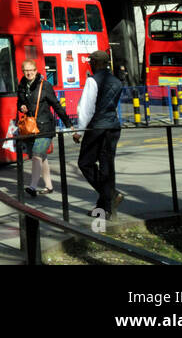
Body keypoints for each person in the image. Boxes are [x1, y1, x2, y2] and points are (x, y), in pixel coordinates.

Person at [73, 49, 125, 219]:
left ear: (95, 63)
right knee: (106, 167)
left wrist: (79, 132)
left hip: (97, 127)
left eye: (91, 62)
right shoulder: (117, 81)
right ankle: (104, 210)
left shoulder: (92, 81)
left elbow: (86, 109)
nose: (90, 64)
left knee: (85, 163)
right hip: (113, 126)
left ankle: (111, 194)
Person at [17, 59, 70, 197]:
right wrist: (21, 106)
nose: (28, 73)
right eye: (26, 70)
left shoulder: (44, 85)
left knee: (36, 155)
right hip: (31, 127)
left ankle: (33, 186)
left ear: (36, 71)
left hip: (45, 127)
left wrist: (68, 124)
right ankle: (49, 186)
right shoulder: (22, 85)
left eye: (31, 70)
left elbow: (56, 105)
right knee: (42, 156)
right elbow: (19, 102)